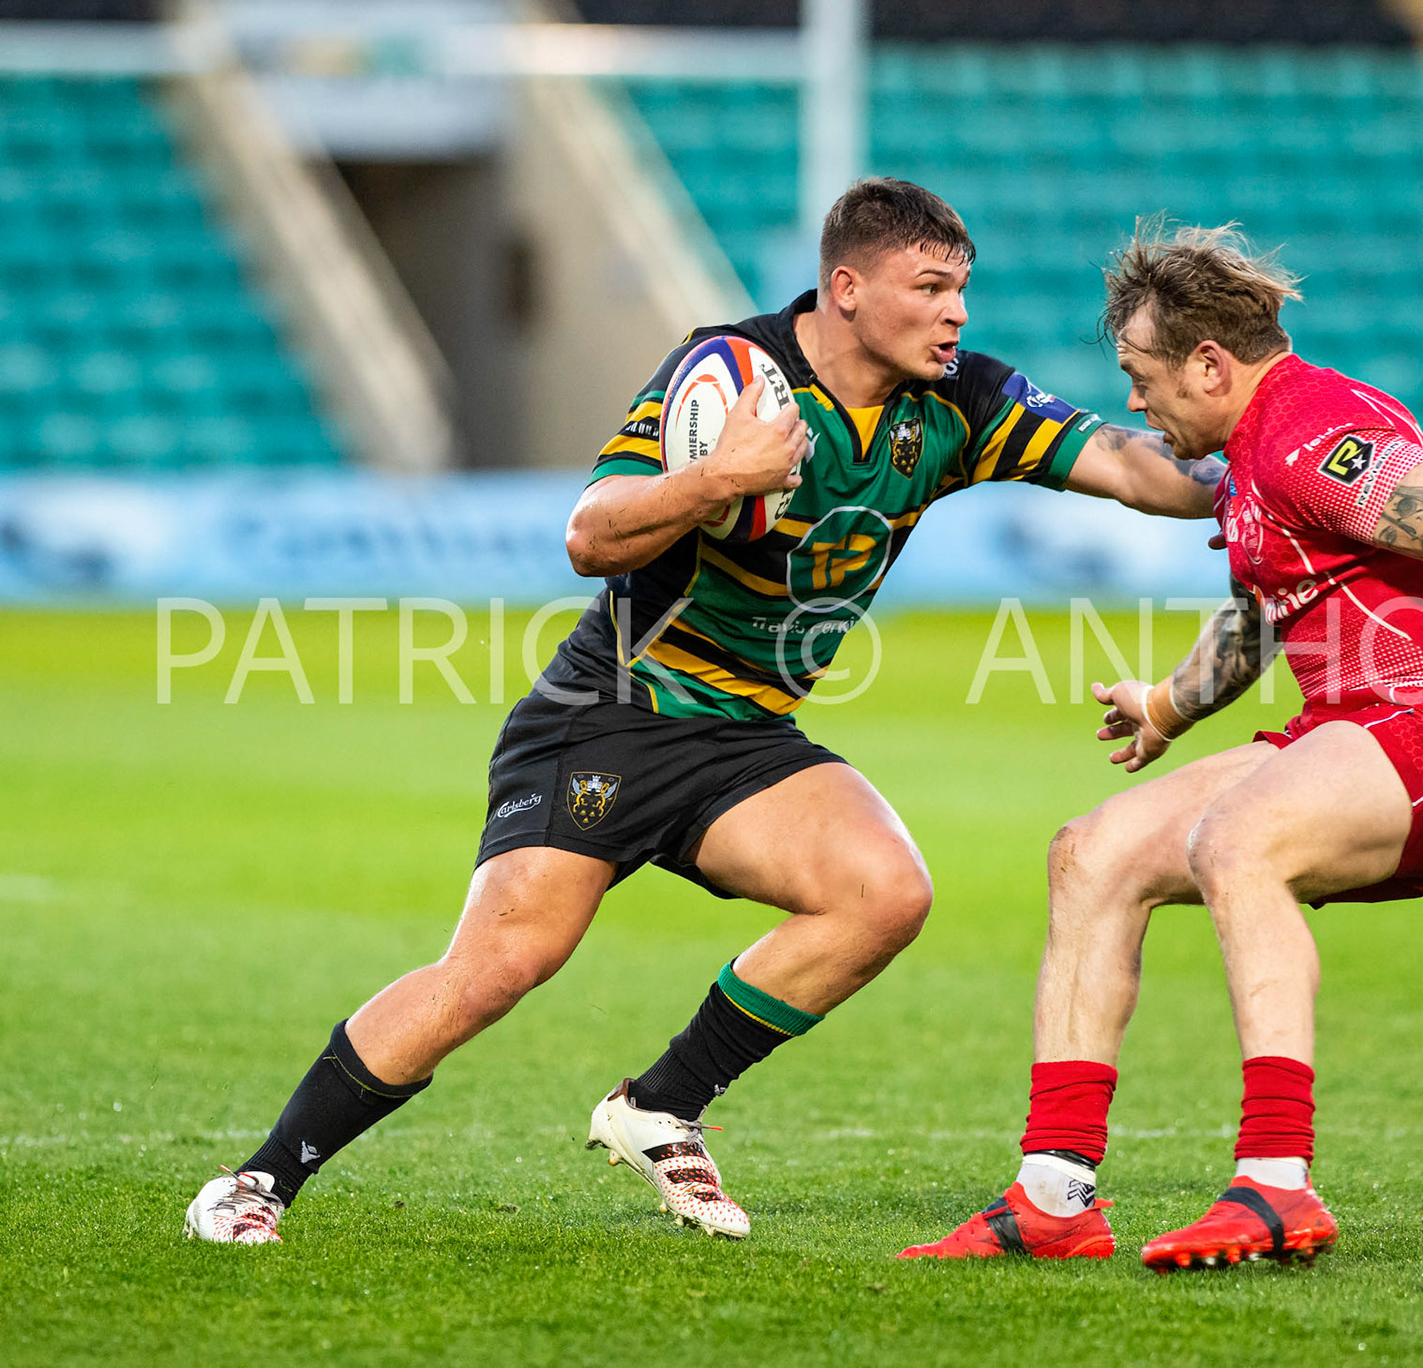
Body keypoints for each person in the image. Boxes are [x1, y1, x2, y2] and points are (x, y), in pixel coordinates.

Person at [183, 180, 1224, 1244]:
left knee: (883, 892)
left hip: (745, 737)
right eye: (931, 287)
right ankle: (258, 1180)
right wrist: (717, 477)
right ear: (848, 287)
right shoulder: (731, 375)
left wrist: (1251, 473)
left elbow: (1134, 469)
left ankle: (657, 1106)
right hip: (613, 713)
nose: (957, 312)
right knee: (500, 965)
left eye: (962, 288)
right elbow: (590, 536)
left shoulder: (956, 402)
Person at [900, 223, 1423, 1270]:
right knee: (1095, 851)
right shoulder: (1256, 454)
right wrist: (1168, 706)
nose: (1133, 399)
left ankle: (1275, 1184)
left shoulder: (1311, 432)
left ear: (1210, 364)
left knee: (1236, 839)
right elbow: (1268, 610)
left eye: (1141, 373)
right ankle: (1053, 1194)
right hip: (1346, 728)